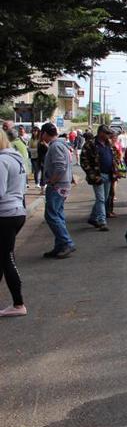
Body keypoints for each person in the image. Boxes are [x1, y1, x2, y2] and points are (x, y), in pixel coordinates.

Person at [0, 133, 28, 317]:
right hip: (17, 210)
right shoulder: (16, 158)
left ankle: (18, 304)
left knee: (6, 258)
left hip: (5, 213)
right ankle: (18, 303)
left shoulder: (2, 161)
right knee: (4, 256)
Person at [40, 123, 75, 258]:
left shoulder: (55, 146)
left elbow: (60, 167)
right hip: (62, 184)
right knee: (58, 214)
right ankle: (60, 245)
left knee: (51, 215)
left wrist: (52, 181)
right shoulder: (61, 145)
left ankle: (66, 242)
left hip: (58, 185)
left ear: (45, 133)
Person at [80, 124, 116, 231]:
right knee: (100, 199)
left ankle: (93, 218)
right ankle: (102, 221)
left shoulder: (108, 144)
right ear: (100, 133)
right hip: (97, 175)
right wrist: (91, 174)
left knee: (104, 198)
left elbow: (113, 157)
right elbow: (84, 161)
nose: (108, 135)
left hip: (108, 175)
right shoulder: (90, 144)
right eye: (106, 133)